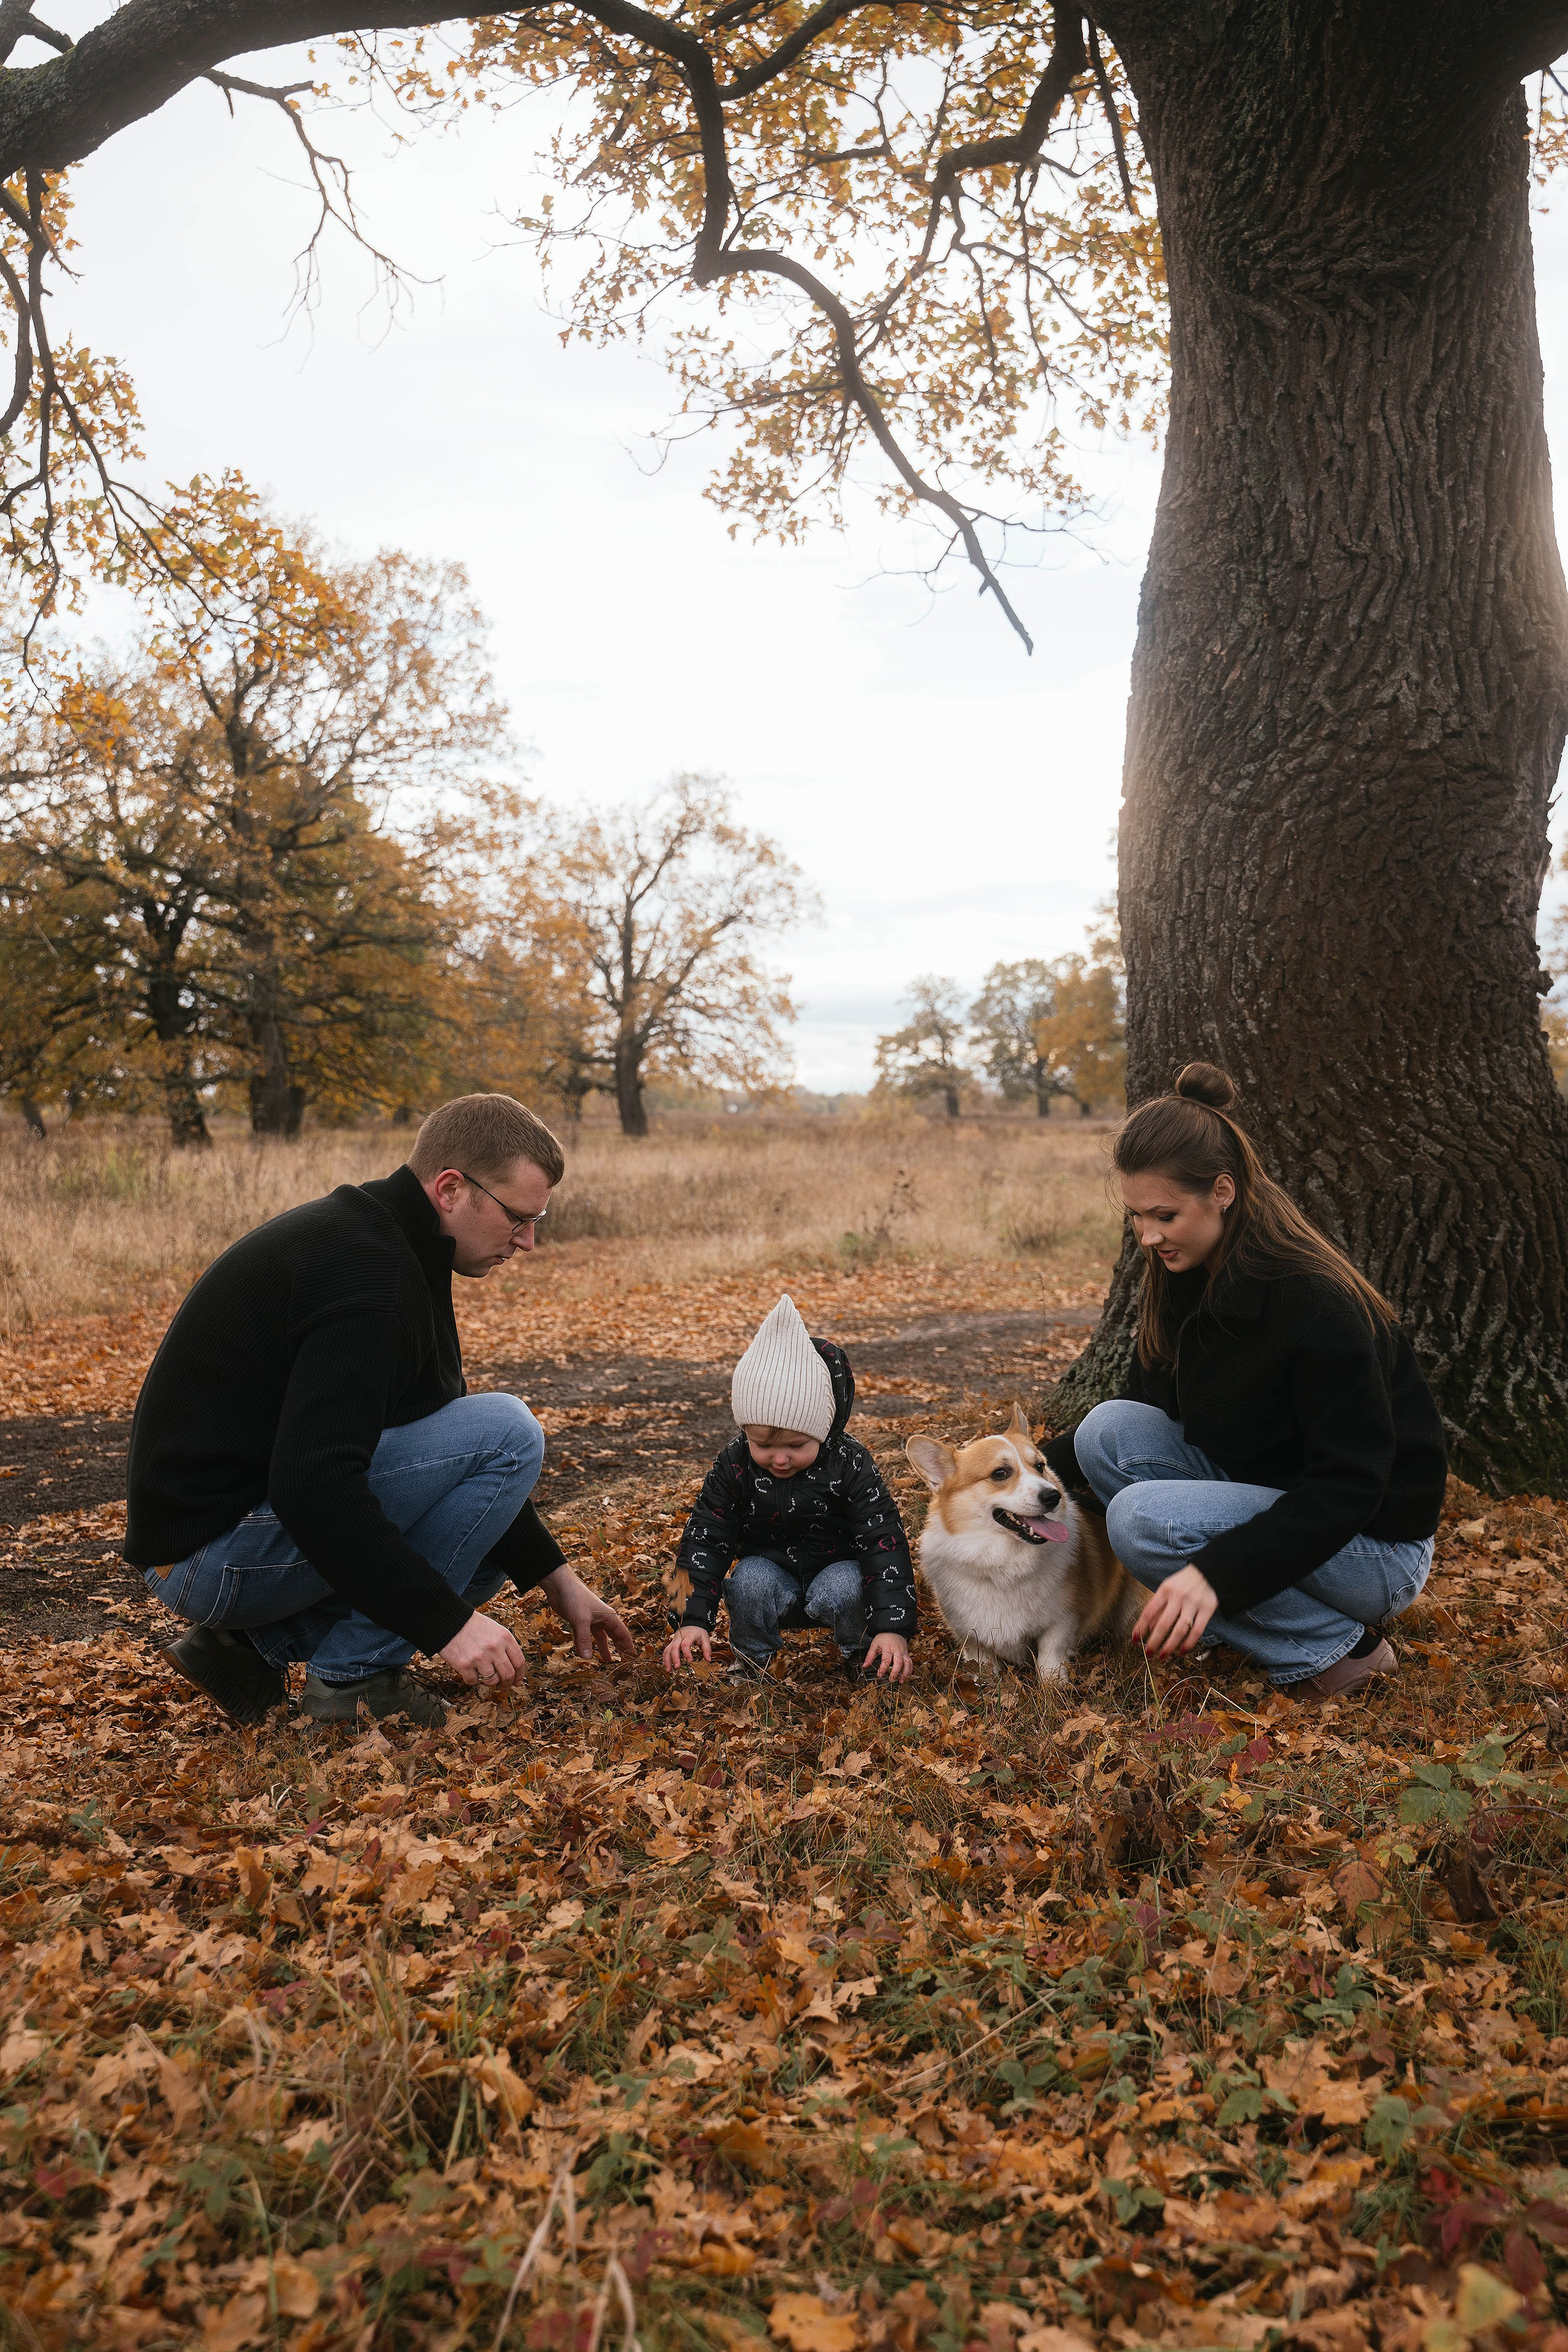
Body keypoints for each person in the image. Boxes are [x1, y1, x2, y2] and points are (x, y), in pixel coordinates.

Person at [126, 1093, 635, 1729]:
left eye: (537, 1221)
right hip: (209, 1553)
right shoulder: (369, 1275)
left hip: (232, 1537)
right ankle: (354, 1683)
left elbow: (438, 1442)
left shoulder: (398, 1245)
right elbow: (311, 1483)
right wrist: (448, 1625)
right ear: (450, 1189)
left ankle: (244, 1651)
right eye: (517, 1218)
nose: (528, 1241)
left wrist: (558, 1580)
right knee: (508, 1431)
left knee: (480, 1548)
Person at [1046, 1064, 1447, 1700]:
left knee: (1142, 1521)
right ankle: (1233, 1615)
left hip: (1371, 1546)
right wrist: (1018, 1467)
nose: (1147, 1237)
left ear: (1223, 1192)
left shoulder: (1313, 1301)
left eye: (1164, 1216)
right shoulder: (1185, 1271)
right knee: (1106, 1430)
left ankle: (1339, 1649)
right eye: (1136, 1217)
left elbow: (1349, 1486)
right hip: (1272, 1496)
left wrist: (1216, 1571)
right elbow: (1149, 1408)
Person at [661, 1294, 916, 1684]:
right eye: (762, 1445)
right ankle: (752, 1661)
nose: (779, 1459)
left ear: (823, 1429)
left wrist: (892, 1626)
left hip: (837, 1572)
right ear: (745, 1431)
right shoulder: (733, 1463)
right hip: (771, 1572)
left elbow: (884, 1541)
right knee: (747, 1581)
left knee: (850, 1586)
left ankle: (866, 1657)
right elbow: (702, 1540)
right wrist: (687, 1619)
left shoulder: (849, 1463)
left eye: (796, 1447)